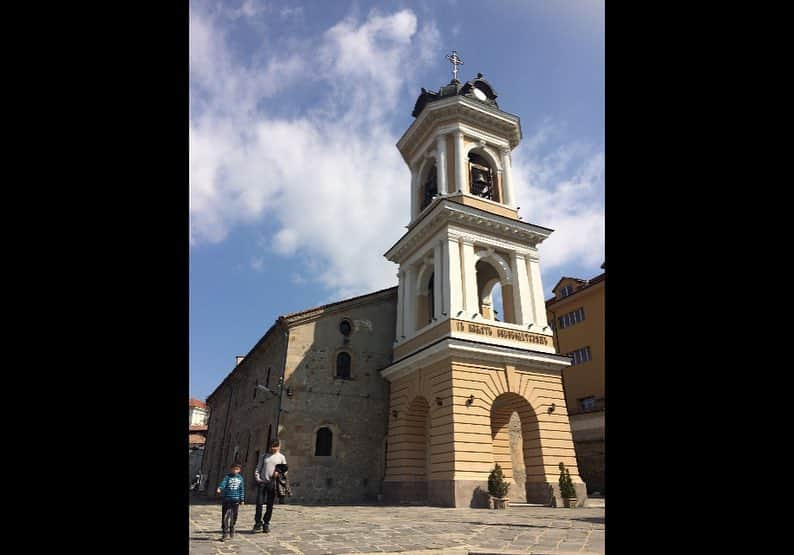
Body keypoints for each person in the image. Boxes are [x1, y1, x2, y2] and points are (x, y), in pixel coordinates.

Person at [252, 439, 287, 533]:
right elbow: (258, 468)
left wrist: (278, 472)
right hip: (262, 482)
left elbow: (285, 471)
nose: (273, 449)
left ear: (279, 447)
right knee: (259, 504)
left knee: (270, 505)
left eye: (275, 447)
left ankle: (266, 523)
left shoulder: (281, 457)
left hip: (273, 483)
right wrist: (258, 478)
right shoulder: (264, 456)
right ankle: (257, 523)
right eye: (272, 447)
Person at [216, 462, 245, 541]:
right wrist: (220, 488)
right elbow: (223, 483)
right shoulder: (227, 477)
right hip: (227, 499)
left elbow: (241, 489)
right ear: (231, 469)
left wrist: (242, 499)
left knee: (233, 516)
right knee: (225, 517)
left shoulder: (240, 478)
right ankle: (224, 532)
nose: (235, 471)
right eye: (234, 469)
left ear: (239, 470)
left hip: (236, 500)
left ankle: (232, 527)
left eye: (237, 469)